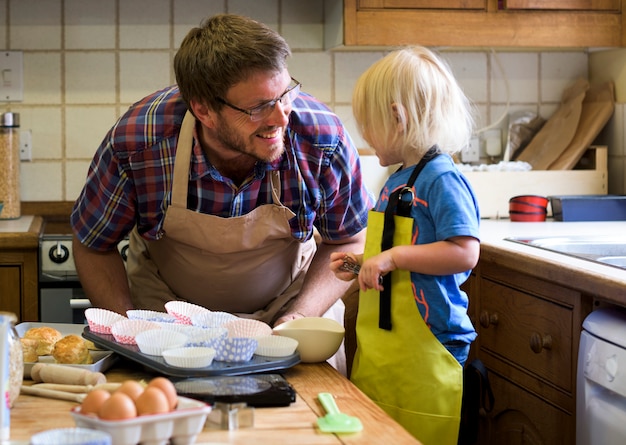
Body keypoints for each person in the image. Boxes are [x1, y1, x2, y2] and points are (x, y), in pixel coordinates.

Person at [70, 14, 374, 373]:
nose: (280, 118)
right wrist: (130, 333)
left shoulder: (322, 139)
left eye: (285, 94)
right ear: (203, 110)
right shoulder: (140, 143)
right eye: (259, 106)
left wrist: (301, 315)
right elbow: (93, 244)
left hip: (288, 307)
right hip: (166, 316)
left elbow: (348, 242)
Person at [329, 46, 480, 444]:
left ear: (397, 117)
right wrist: (364, 262)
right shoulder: (398, 180)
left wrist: (392, 257)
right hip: (388, 349)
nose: (364, 134)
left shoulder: (441, 179)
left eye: (368, 123)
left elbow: (464, 251)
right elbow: (409, 249)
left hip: (431, 347)